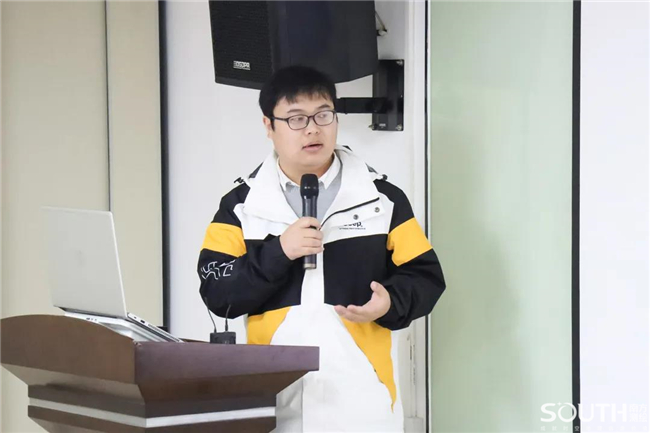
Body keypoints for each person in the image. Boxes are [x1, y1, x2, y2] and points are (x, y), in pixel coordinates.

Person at [197, 65, 446, 432]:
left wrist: (390, 302)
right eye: (296, 118)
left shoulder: (381, 199)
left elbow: (426, 277)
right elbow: (217, 292)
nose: (313, 129)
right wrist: (280, 251)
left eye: (323, 115)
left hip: (361, 403)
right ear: (269, 126)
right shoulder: (241, 206)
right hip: (273, 403)